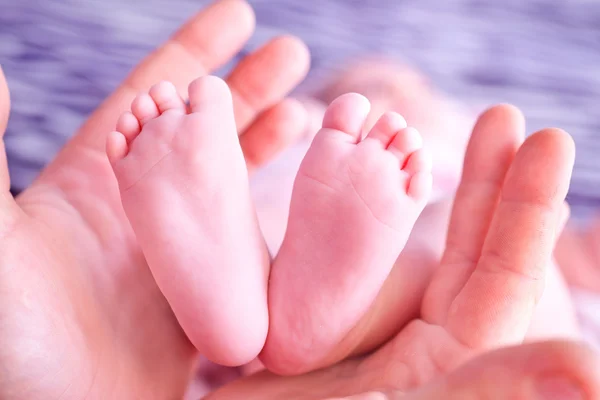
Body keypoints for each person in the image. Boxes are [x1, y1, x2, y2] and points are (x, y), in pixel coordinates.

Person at [0, 1, 597, 399]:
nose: (394, 97)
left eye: (403, 91)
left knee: (479, 247)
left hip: (263, 257)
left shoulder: (339, 143)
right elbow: (576, 253)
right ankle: (295, 313)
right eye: (374, 87)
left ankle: (240, 309)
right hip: (364, 263)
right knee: (488, 257)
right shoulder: (388, 153)